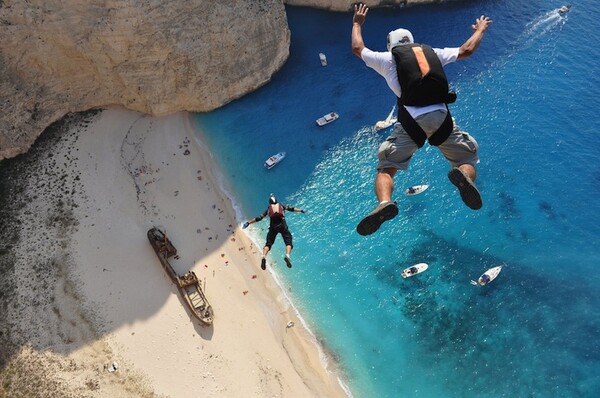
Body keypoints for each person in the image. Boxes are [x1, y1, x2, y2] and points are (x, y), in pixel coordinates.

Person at [351, 3, 493, 236]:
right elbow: (467, 50)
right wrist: (480, 29)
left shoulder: (387, 59)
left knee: (387, 168)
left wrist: (357, 23)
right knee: (466, 156)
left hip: (410, 124)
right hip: (441, 117)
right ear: (412, 41)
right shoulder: (433, 52)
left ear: (392, 46)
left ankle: (385, 203)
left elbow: (358, 48)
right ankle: (464, 176)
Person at [242, 194, 306, 270]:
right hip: (282, 226)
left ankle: (264, 256)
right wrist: (301, 210)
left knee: (268, 244)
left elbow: (259, 218)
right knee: (288, 242)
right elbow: (292, 209)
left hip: (273, 227)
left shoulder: (268, 209)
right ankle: (287, 255)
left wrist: (248, 223)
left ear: (270, 203)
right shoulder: (281, 206)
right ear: (276, 201)